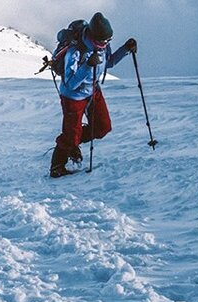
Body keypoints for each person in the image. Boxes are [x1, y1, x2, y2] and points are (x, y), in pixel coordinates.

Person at [51, 12, 136, 178]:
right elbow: (70, 83)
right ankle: (57, 167)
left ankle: (72, 142)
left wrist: (125, 49)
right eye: (102, 41)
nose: (105, 44)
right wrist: (87, 66)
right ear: (92, 35)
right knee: (71, 135)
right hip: (72, 97)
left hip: (93, 91)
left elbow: (108, 62)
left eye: (107, 40)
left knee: (103, 127)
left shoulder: (101, 46)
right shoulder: (76, 51)